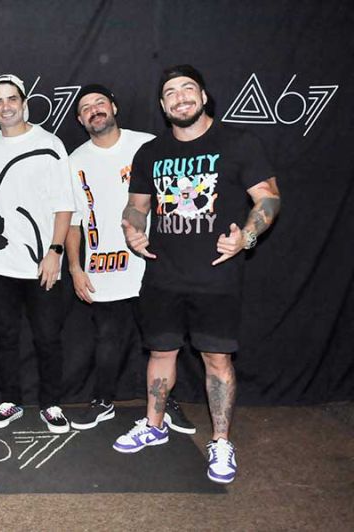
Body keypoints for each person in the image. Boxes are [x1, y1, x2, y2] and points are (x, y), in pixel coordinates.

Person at [114, 65, 280, 485]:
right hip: (162, 275)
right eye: (170, 92)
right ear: (162, 104)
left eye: (188, 88)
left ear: (203, 97)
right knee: (160, 352)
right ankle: (154, 425)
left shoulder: (238, 143)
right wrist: (132, 229)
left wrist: (246, 236)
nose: (180, 97)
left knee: (217, 359)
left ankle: (221, 440)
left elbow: (268, 198)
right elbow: (137, 205)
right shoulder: (150, 152)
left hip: (216, 277)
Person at [65, 84, 195, 434]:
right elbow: (73, 221)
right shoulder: (75, 161)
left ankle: (166, 404)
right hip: (104, 268)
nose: (94, 110)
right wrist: (75, 268)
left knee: (163, 342)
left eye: (100, 103)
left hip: (154, 263)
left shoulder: (147, 145)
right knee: (107, 341)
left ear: (114, 107)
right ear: (80, 119)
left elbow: (178, 197)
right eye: (86, 107)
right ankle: (102, 401)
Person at [0, 74, 75, 434]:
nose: (5, 106)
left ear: (24, 103)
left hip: (41, 264)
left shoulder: (50, 144)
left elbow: (65, 205)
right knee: (5, 336)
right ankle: (10, 401)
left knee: (47, 337)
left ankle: (51, 403)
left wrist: (55, 251)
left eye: (11, 99)